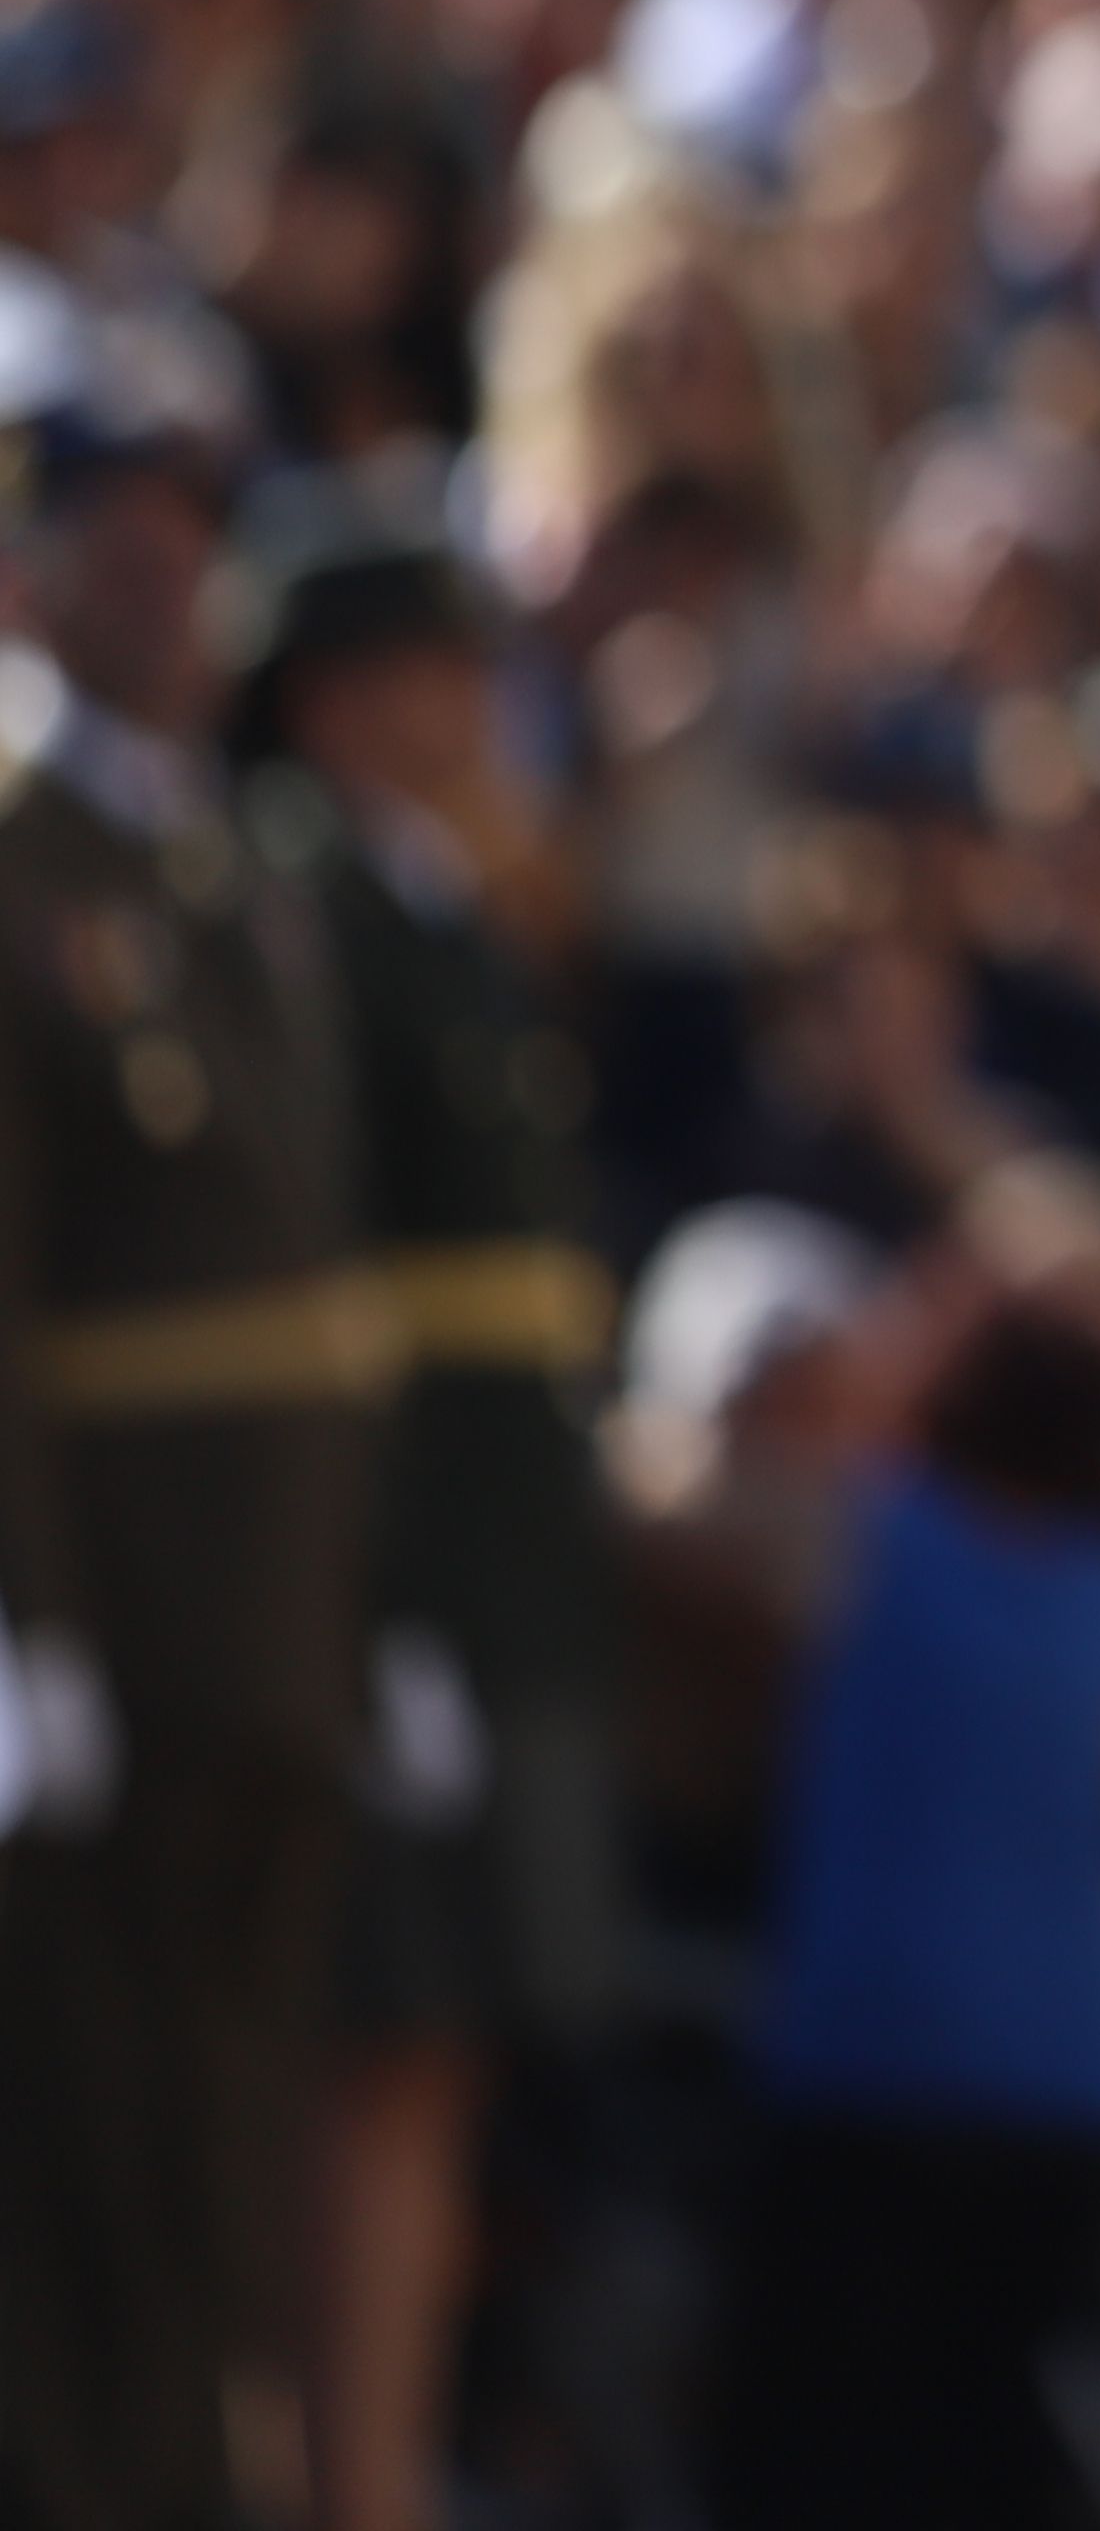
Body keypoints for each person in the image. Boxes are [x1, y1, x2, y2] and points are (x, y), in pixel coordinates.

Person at [0, 359, 384, 2531]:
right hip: (120, 1596)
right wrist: (25, 1611)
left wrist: (369, 1600)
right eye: (118, 554)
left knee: (227, 2127)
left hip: (272, 1608)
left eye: (190, 556)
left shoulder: (236, 861)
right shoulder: (19, 856)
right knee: (89, 2129)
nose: (166, 595)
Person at [237, 516, 624, 2531]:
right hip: (408, 1552)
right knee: (370, 2045)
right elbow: (329, 1268)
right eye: (415, 667)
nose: (457, 705)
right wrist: (369, 1595)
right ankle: (346, 2482)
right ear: (326, 693)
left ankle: (382, 2460)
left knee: (448, 2047)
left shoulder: (445, 900)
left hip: (500, 1544)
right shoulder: (301, 897)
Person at [719, 1284, 1100, 2531]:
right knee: (984, 2452)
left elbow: (682, 1510)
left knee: (816, 2453)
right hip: (1081, 2092)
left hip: (878, 2072)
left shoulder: (868, 1533)